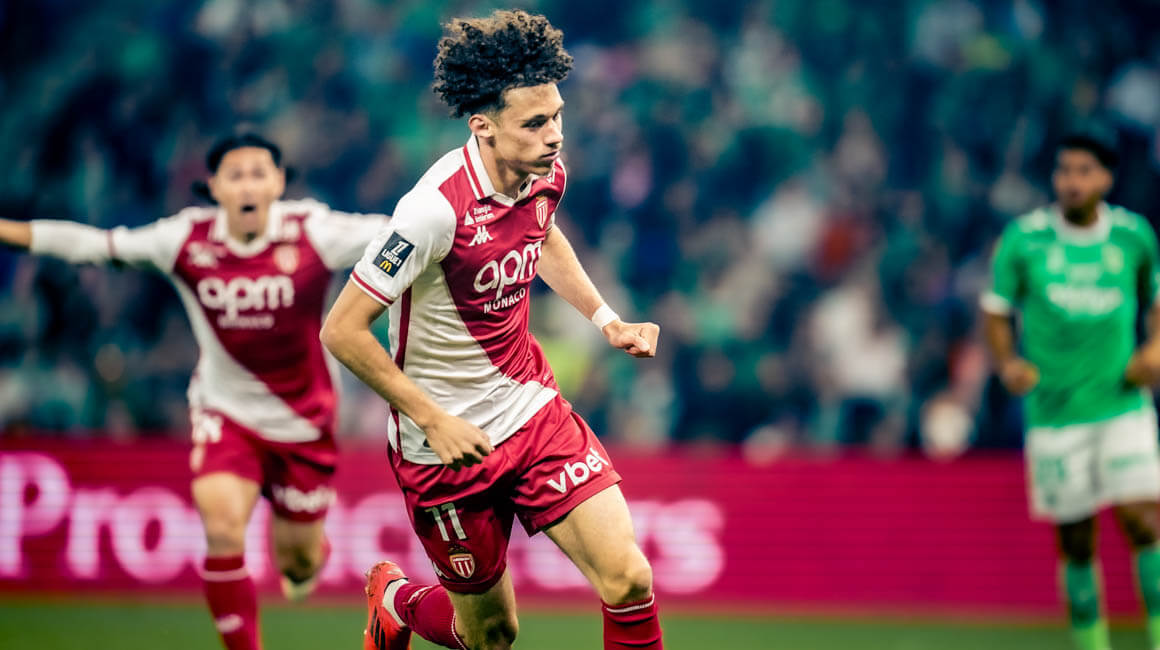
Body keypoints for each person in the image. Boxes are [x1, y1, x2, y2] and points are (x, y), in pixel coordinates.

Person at [320, 10, 663, 650]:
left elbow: (543, 236)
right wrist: (432, 419)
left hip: (530, 410)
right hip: (445, 446)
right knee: (492, 636)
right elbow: (341, 332)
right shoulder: (431, 211)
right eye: (534, 124)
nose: (554, 136)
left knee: (629, 579)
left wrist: (607, 319)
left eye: (557, 116)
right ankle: (396, 601)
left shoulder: (546, 173)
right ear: (483, 126)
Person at [0, 132, 388, 650]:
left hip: (305, 421)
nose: (247, 185)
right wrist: (8, 230)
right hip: (225, 413)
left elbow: (400, 232)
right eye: (235, 175)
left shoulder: (315, 230)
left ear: (278, 183)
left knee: (298, 565)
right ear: (214, 187)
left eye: (258, 173)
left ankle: (307, 554)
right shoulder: (184, 238)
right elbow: (96, 245)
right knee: (222, 529)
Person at [982, 134, 1160, 650]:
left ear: (1106, 178)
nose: (1072, 182)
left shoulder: (1133, 236)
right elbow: (996, 310)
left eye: (1084, 171)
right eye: (1064, 171)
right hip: (1055, 413)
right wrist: (1008, 363)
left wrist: (1154, 349)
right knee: (1077, 541)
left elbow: (1155, 298)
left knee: (1144, 520)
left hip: (1122, 405)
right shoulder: (1025, 239)